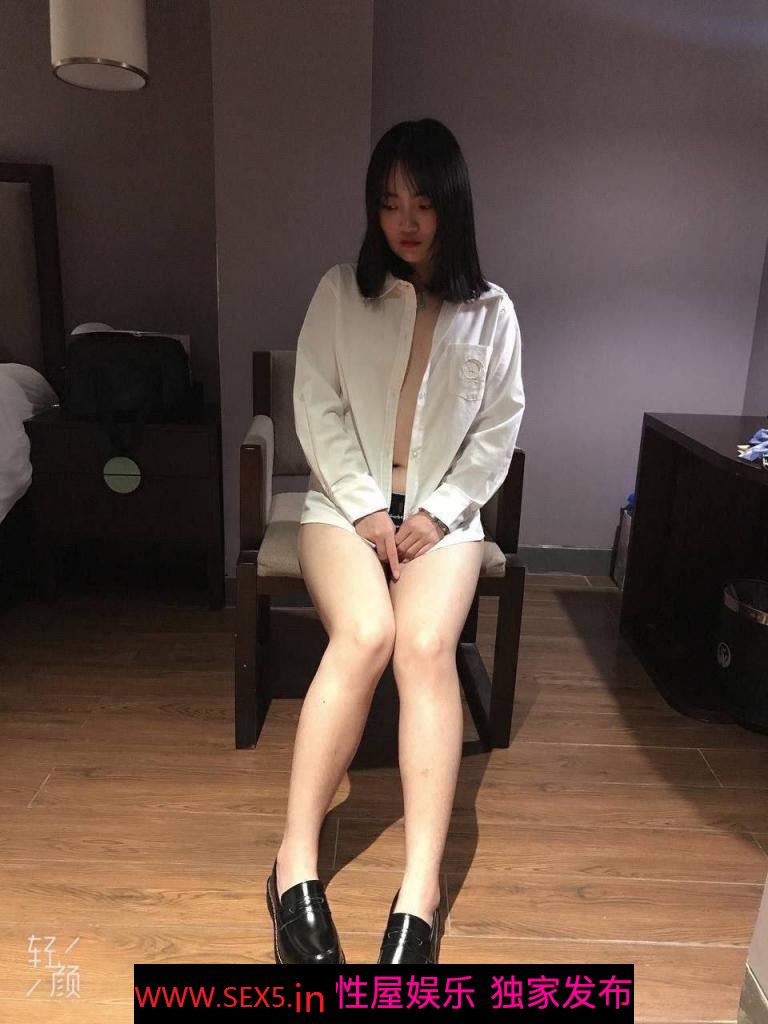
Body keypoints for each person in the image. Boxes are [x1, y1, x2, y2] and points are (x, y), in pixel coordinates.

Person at [266, 118, 525, 965]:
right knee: (367, 633)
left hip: (443, 519)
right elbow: (317, 406)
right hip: (346, 508)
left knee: (424, 647)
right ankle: (294, 862)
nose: (405, 221)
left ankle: (422, 886)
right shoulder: (342, 292)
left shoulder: (492, 313)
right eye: (388, 203)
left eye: (422, 203)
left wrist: (439, 513)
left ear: (453, 206)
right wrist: (367, 508)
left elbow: (497, 432)